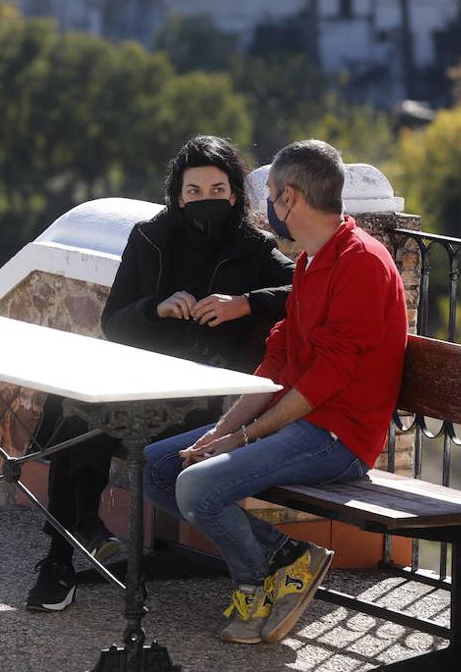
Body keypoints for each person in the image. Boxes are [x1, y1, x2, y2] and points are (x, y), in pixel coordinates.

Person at [142, 139, 408, 645]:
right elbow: (279, 363)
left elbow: (325, 381)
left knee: (197, 486)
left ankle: (255, 582)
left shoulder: (362, 264)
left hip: (339, 438)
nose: (266, 209)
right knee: (159, 466)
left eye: (270, 197)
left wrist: (241, 440)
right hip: (303, 422)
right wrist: (221, 432)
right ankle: (289, 558)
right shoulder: (310, 259)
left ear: (288, 198)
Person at [25, 135, 295, 612]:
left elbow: (301, 289)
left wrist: (244, 304)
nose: (206, 200)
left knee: (79, 418)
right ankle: (74, 538)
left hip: (211, 394)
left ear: (235, 193)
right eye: (194, 191)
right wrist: (156, 309)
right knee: (78, 408)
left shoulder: (255, 249)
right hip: (143, 378)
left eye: (218, 189)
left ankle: (62, 554)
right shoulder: (149, 237)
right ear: (177, 194)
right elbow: (114, 322)